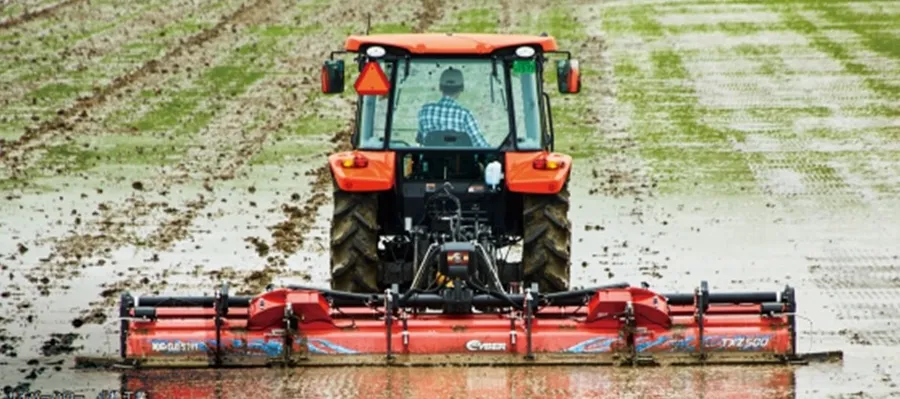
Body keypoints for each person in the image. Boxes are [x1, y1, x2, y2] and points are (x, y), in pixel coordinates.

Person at [416, 67, 489, 147]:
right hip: (461, 159)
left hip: (431, 159)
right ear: (462, 88)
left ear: (440, 87)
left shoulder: (425, 111)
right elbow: (479, 144)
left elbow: (421, 139)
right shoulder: (465, 115)